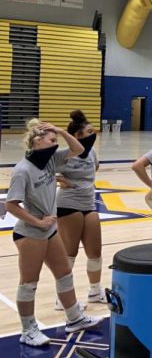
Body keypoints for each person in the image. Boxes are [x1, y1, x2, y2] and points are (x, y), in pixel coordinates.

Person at [6, 120, 101, 346]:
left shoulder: (51, 161)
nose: (55, 145)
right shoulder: (22, 170)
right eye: (51, 140)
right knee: (29, 282)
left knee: (64, 273)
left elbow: (78, 149)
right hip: (30, 233)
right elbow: (11, 205)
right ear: (37, 141)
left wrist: (58, 131)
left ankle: (74, 318)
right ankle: (28, 330)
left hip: (49, 230)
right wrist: (37, 222)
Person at [55, 110, 105, 307]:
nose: (91, 135)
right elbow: (39, 172)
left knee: (95, 252)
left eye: (92, 131)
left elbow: (95, 169)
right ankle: (62, 299)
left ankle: (94, 291)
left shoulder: (92, 153)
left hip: (88, 204)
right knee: (70, 253)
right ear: (75, 136)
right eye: (86, 132)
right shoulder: (63, 155)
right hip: (68, 205)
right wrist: (58, 178)